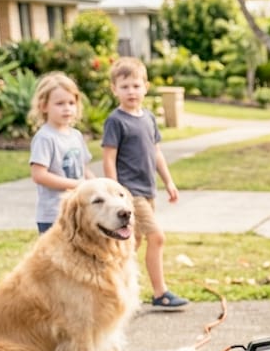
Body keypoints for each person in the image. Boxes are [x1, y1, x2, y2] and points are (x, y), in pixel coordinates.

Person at [101, 56, 189, 311]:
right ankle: (160, 293)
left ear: (146, 87)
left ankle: (116, 291)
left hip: (148, 190)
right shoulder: (115, 121)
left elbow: (157, 152)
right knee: (157, 237)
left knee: (131, 245)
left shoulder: (148, 118)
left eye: (136, 86)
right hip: (129, 193)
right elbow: (109, 158)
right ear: (114, 89)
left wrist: (169, 182)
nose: (131, 91)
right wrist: (115, 195)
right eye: (125, 86)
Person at [28, 72, 94, 234]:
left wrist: (97, 186)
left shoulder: (76, 135)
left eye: (71, 103)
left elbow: (83, 169)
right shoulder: (45, 137)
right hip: (53, 214)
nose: (67, 108)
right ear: (44, 106)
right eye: (60, 103)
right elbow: (39, 175)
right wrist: (77, 185)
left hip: (78, 211)